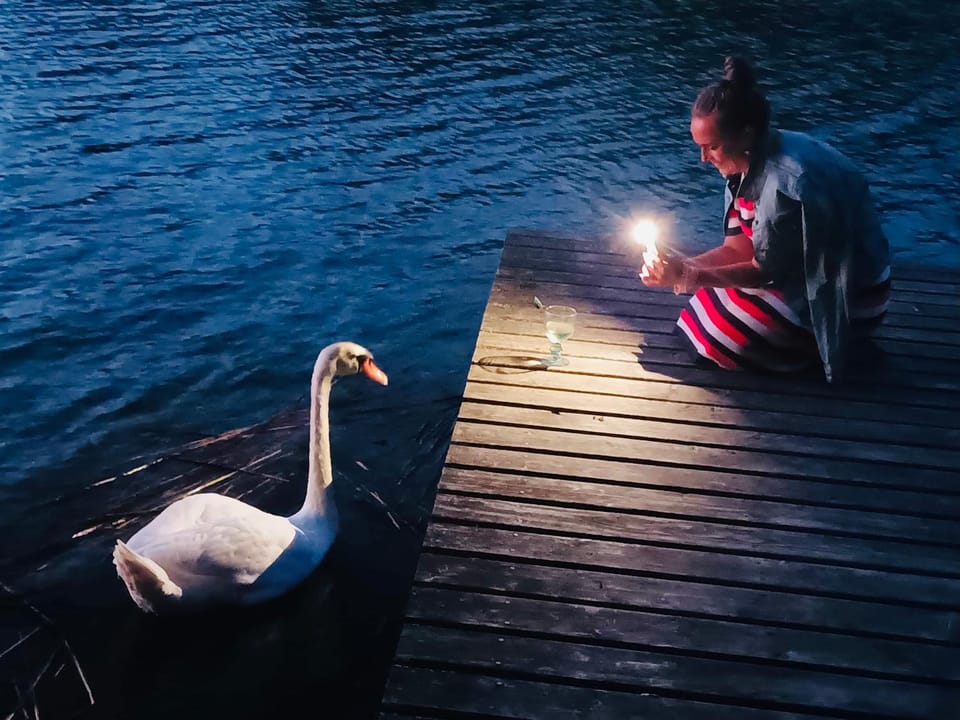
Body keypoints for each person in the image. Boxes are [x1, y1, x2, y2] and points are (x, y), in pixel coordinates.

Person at [641, 56, 890, 383]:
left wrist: (690, 274)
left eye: (711, 146)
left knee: (717, 337)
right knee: (699, 311)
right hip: (794, 275)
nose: (704, 159)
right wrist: (682, 267)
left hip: (846, 293)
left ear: (746, 133)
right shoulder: (741, 162)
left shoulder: (787, 184)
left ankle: (828, 346)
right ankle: (791, 343)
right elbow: (738, 248)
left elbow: (764, 272)